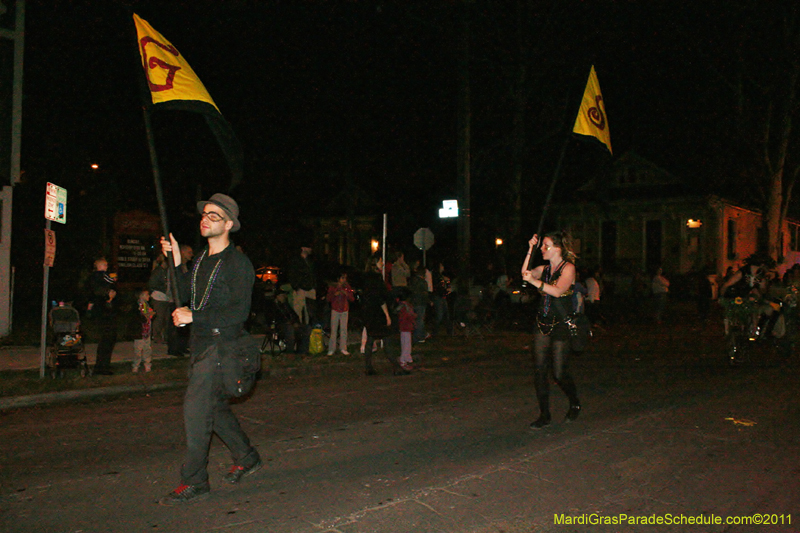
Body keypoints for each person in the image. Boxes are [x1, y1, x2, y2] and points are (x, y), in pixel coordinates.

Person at [158, 193, 261, 505]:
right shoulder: (202, 258)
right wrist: (177, 261)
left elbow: (238, 314)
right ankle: (247, 456)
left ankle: (195, 480)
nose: (205, 218)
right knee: (213, 410)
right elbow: (187, 292)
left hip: (222, 346)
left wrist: (195, 316)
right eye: (204, 213)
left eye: (214, 216)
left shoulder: (238, 264)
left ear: (229, 224)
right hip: (200, 345)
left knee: (196, 411)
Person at [521, 231, 581, 430]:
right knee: (539, 371)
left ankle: (574, 402)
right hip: (542, 321)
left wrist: (534, 282)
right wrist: (530, 249)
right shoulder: (544, 268)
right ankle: (544, 414)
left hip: (561, 324)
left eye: (546, 245)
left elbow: (557, 291)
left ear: (558, 248)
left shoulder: (568, 268)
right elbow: (525, 272)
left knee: (559, 372)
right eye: (542, 246)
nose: (543, 249)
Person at [361, 255, 408, 376]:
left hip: (368, 312)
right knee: (387, 338)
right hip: (377, 313)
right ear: (375, 263)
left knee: (371, 339)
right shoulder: (376, 279)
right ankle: (396, 368)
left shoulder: (366, 278)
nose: (382, 264)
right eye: (380, 261)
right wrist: (387, 315)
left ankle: (368, 367)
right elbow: (380, 298)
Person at [87, 257, 117, 375]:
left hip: (105, 311)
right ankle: (101, 367)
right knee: (107, 338)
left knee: (108, 339)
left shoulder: (99, 278)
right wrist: (108, 297)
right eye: (104, 265)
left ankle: (104, 366)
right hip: (103, 312)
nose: (106, 267)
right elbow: (97, 292)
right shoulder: (97, 277)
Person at [287, 242, 317, 326]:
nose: (310, 249)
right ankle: (297, 331)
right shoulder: (296, 260)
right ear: (303, 248)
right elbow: (292, 274)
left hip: (310, 288)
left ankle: (308, 329)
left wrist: (314, 286)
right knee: (298, 311)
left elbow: (313, 274)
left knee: (310, 311)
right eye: (308, 248)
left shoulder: (310, 261)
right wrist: (296, 287)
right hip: (301, 288)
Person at [326, 271, 354, 356]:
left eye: (345, 278)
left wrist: (347, 294)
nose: (344, 280)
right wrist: (335, 294)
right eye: (342, 278)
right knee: (334, 330)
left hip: (344, 309)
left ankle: (343, 348)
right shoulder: (333, 287)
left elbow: (352, 298)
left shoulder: (347, 287)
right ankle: (331, 348)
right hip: (335, 309)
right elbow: (328, 299)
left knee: (343, 329)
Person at [132, 290, 155, 373]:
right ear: (141, 296)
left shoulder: (147, 305)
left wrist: (150, 315)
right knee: (138, 350)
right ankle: (136, 365)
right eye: (147, 294)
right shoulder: (136, 306)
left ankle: (147, 363)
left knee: (147, 349)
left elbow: (150, 315)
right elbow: (139, 318)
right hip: (140, 331)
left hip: (147, 330)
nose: (149, 296)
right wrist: (147, 315)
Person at [408, 263, 431, 343]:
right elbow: (425, 293)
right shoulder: (423, 282)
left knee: (415, 320)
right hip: (420, 303)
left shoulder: (412, 280)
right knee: (420, 320)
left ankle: (415, 336)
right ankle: (419, 336)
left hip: (413, 302)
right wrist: (428, 301)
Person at [396, 288, 417, 370]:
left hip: (405, 327)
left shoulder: (401, 306)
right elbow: (406, 317)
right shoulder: (405, 306)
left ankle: (406, 358)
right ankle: (403, 360)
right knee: (406, 345)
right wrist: (413, 317)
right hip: (406, 327)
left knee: (405, 343)